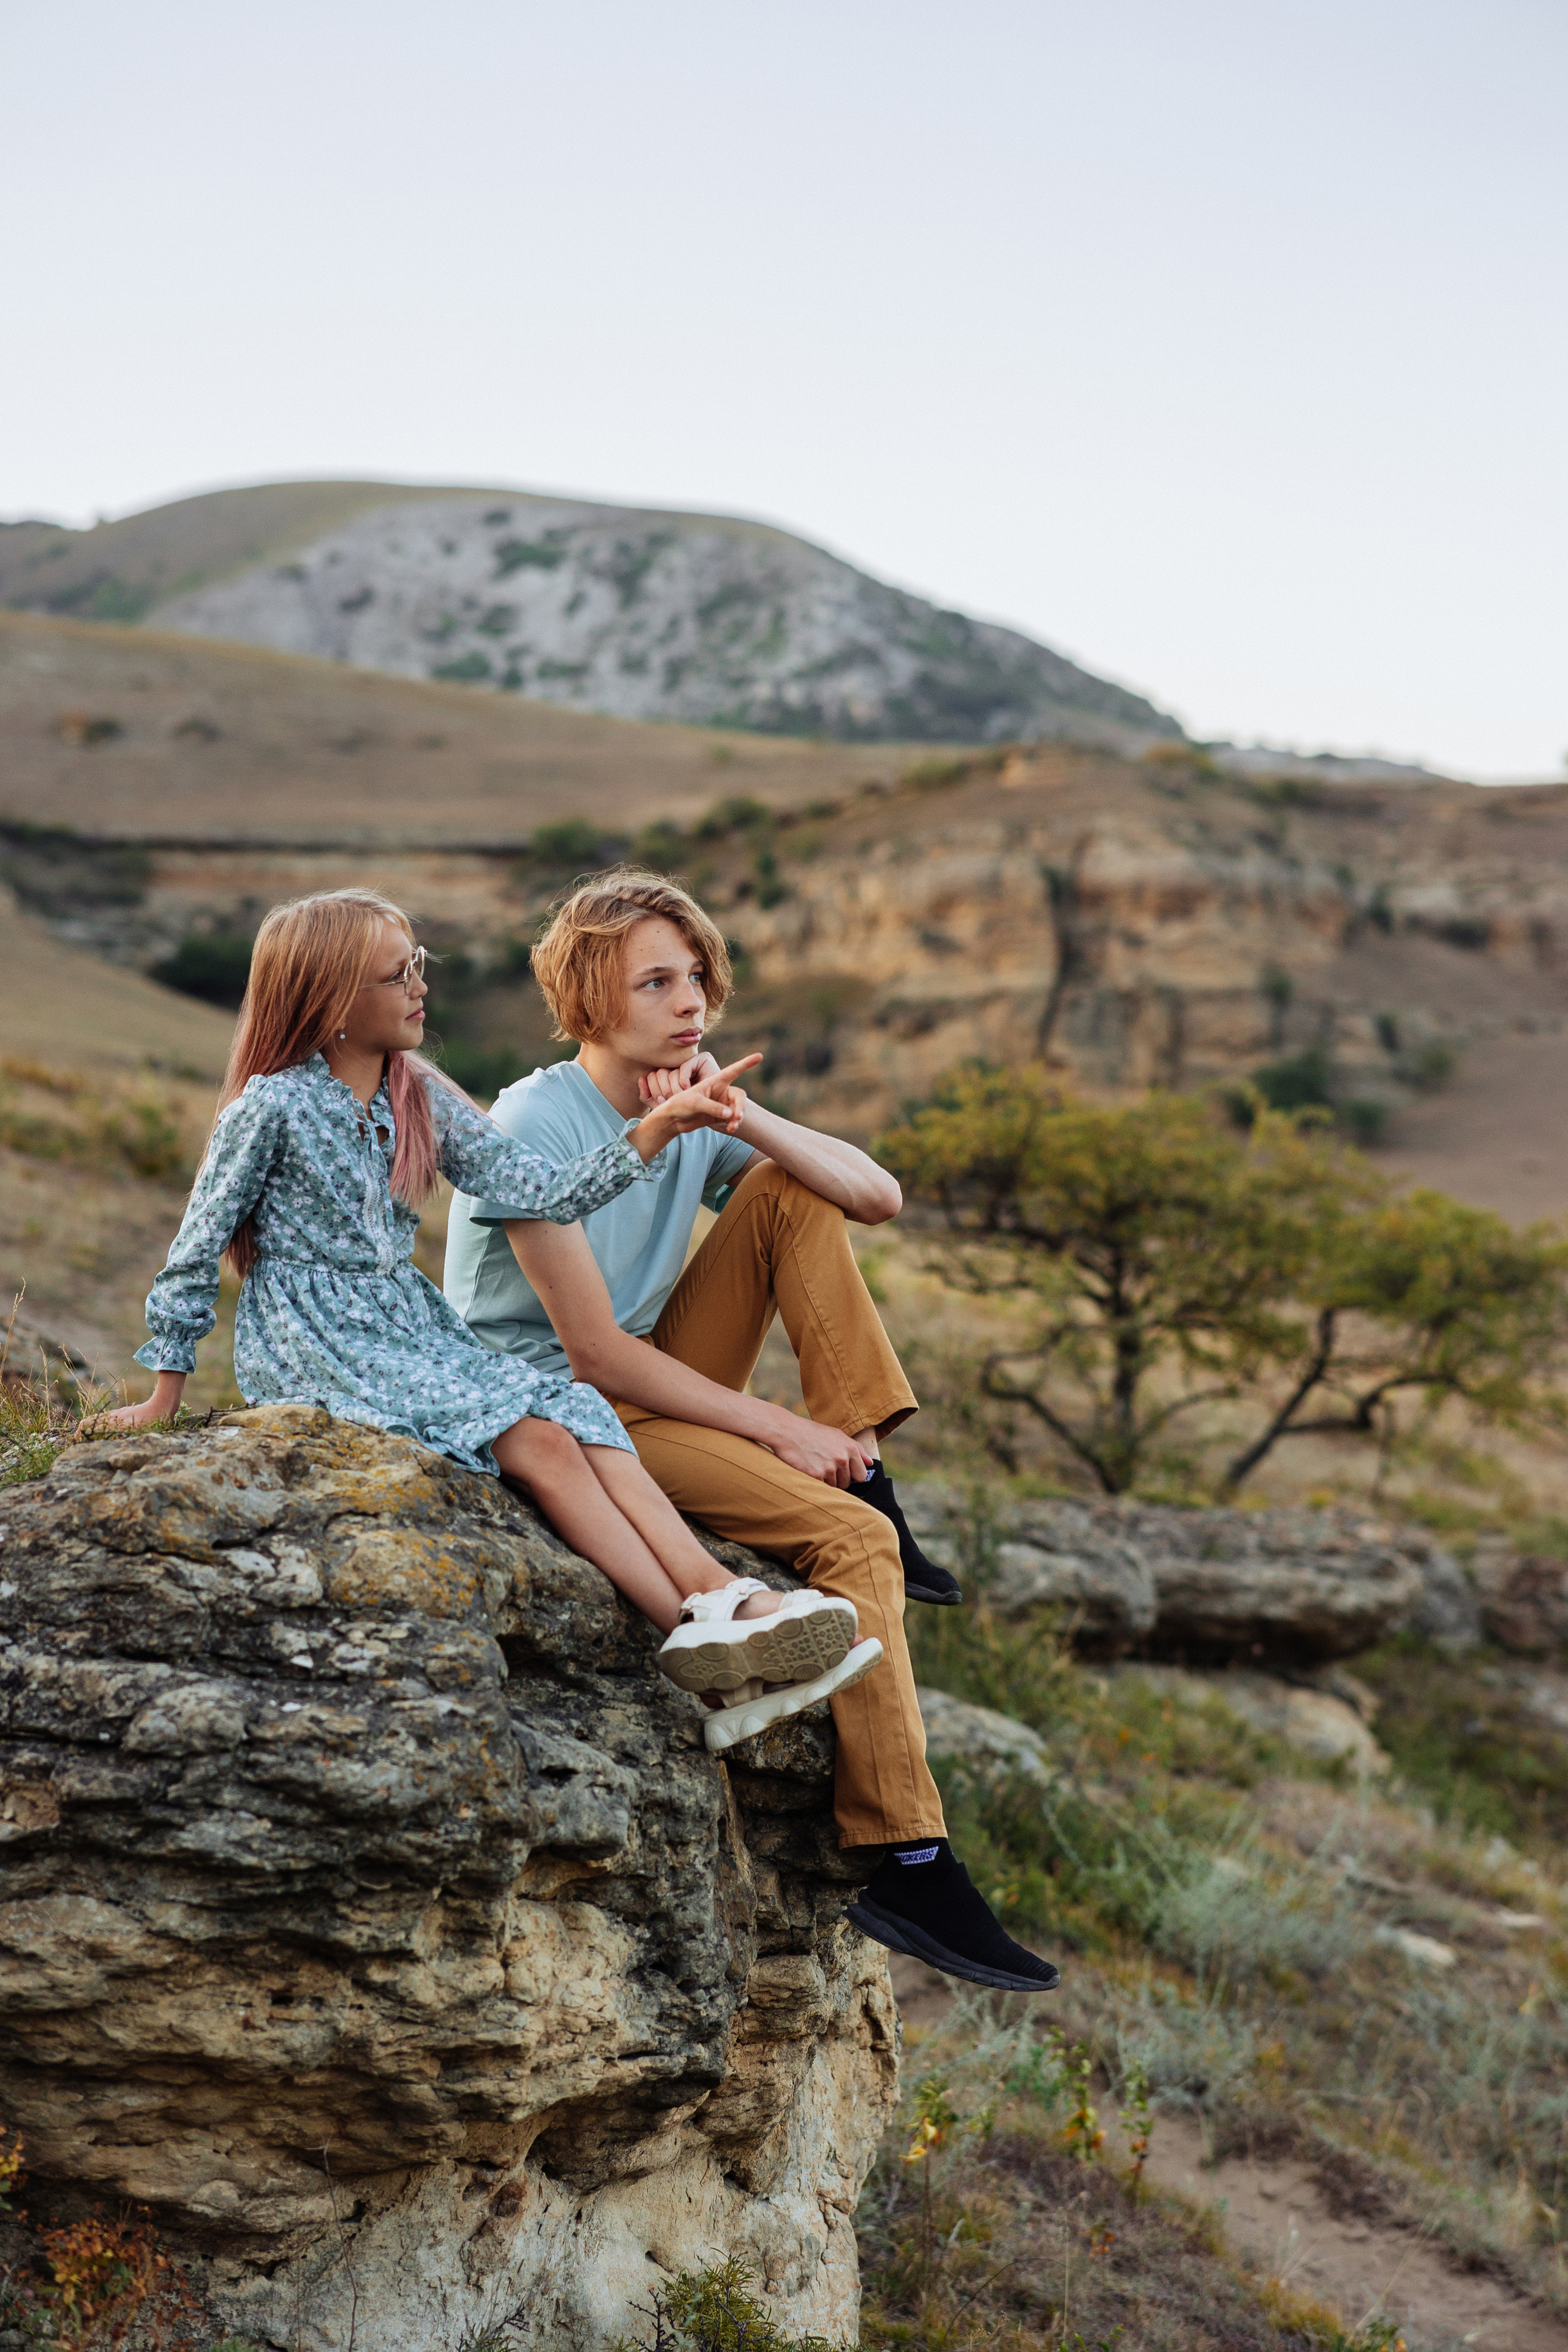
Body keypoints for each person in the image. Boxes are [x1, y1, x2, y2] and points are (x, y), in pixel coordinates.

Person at [443, 869, 1060, 1993]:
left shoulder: (687, 1100)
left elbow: (876, 1196)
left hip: (648, 1375)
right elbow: (593, 1356)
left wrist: (741, 1113)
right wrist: (779, 1429)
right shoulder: (537, 1119)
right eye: (656, 983)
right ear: (589, 998)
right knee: (853, 1544)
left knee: (794, 1192)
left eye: (696, 977)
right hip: (564, 1406)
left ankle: (867, 1470)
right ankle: (910, 1858)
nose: (690, 1001)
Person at [93, 888, 880, 1741]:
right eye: (398, 976)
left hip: (405, 1321)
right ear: (333, 1002)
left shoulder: (417, 1094)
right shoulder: (270, 1108)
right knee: (537, 1435)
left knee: (572, 1416)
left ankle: (719, 1612)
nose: (420, 987)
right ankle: (702, 1626)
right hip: (315, 1334)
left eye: (418, 967)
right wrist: (165, 1391)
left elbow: (544, 1192)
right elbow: (195, 1245)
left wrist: (656, 1131)